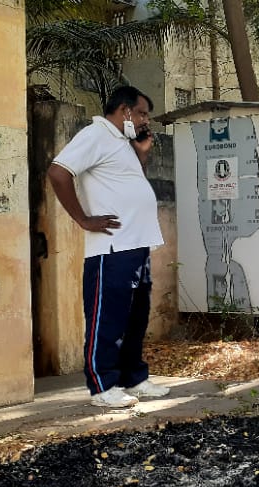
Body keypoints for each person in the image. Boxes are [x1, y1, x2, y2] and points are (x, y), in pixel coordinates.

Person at [47, 86, 170, 408]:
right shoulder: (96, 135)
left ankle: (134, 379)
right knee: (108, 319)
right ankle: (102, 386)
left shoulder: (122, 143)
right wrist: (83, 219)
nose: (145, 121)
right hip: (112, 248)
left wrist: (142, 156)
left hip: (137, 243)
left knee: (135, 319)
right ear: (125, 110)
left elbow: (129, 184)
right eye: (142, 113)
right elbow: (58, 173)